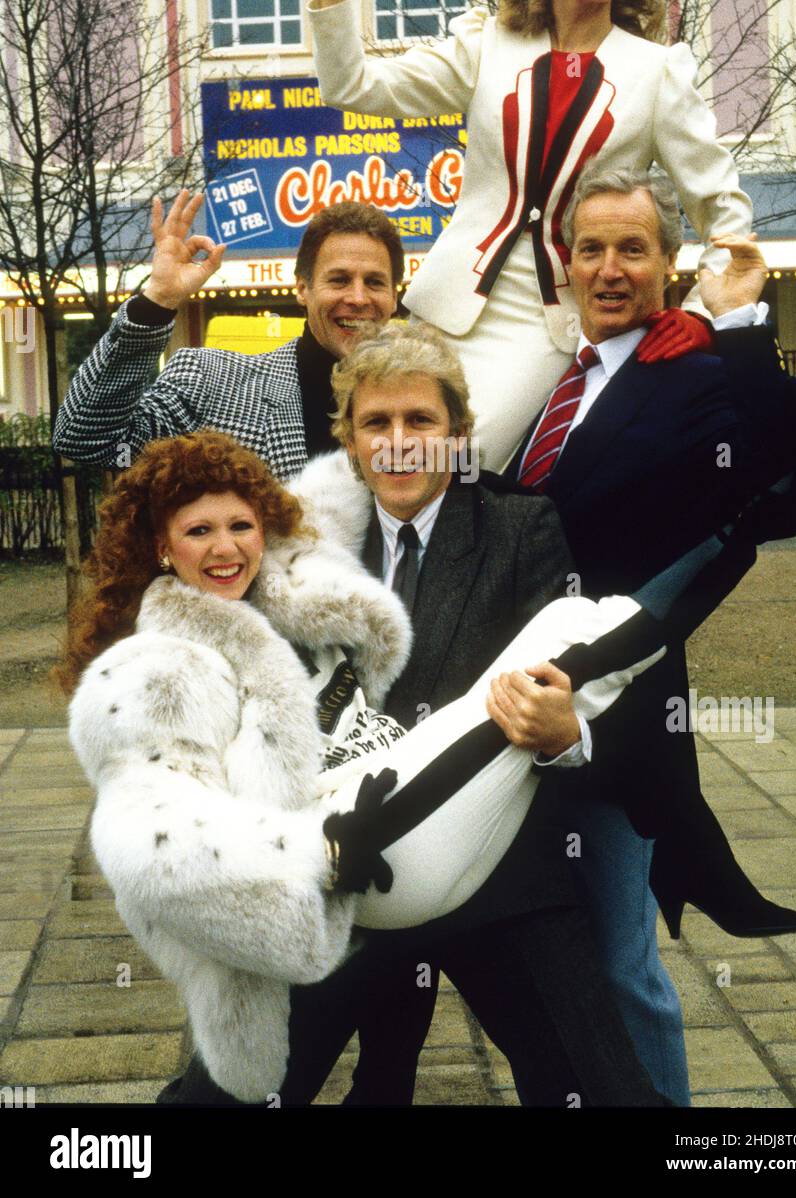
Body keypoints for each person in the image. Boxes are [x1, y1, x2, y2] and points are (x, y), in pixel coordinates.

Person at [61, 429, 676, 1107]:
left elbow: (394, 445)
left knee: (600, 1089)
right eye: (198, 530)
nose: (225, 547)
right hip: (331, 897)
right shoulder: (159, 672)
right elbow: (154, 844)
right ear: (160, 546)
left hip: (457, 853)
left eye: (240, 525)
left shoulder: (300, 596)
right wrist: (317, 856)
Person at [275, 319, 690, 1109]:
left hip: (500, 873)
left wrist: (564, 731)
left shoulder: (519, 526)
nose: (398, 443)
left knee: (595, 1087)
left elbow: (572, 682)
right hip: (350, 876)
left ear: (458, 434)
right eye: (376, 423)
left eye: (419, 421)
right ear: (350, 441)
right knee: (238, 1078)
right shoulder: (303, 548)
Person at [279, 0, 752, 469]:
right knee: (377, 466)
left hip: (546, 326)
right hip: (441, 305)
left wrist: (698, 313)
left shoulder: (658, 72)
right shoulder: (488, 44)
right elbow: (352, 85)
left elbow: (725, 212)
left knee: (451, 469)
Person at [501, 164, 796, 940]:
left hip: (615, 713)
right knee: (549, 958)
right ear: (567, 264)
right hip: (510, 701)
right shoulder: (543, 378)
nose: (609, 269)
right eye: (590, 249)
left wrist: (740, 323)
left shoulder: (693, 374)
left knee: (619, 962)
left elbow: (775, 468)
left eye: (632, 249)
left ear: (667, 265)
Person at [52, 192, 399, 477]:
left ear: (394, 297)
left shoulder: (426, 400)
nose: (357, 298)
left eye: (374, 282)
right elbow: (90, 440)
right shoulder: (212, 385)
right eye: (338, 280)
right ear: (302, 288)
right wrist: (158, 301)